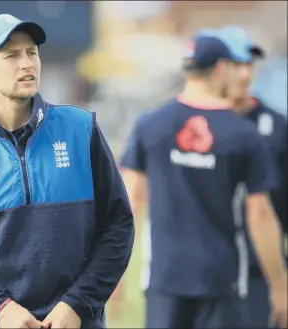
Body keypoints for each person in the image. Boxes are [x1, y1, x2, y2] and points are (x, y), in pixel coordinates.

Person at [0, 13, 134, 329]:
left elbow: (118, 226)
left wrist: (77, 303)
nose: (27, 63)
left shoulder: (82, 130)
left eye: (32, 52)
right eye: (12, 55)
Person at [117, 28, 287, 328]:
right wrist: (279, 285)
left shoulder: (150, 124)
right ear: (222, 69)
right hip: (222, 279)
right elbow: (259, 214)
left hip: (163, 278)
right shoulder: (243, 134)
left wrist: (114, 275)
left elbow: (128, 202)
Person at [218, 26, 288, 328]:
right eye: (236, 65)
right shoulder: (190, 125)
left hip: (263, 270)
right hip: (209, 274)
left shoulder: (277, 125)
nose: (245, 74)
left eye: (249, 64)